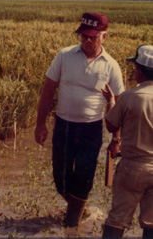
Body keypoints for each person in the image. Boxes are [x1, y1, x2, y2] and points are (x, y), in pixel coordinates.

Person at [34, 12, 125, 228]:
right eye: (83, 36)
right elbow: (47, 92)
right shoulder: (64, 56)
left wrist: (116, 139)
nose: (86, 40)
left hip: (91, 129)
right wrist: (40, 124)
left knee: (84, 177)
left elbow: (120, 105)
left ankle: (71, 224)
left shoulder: (111, 65)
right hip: (64, 126)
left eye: (92, 37)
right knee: (61, 178)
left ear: (104, 36)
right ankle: (80, 210)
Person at [101, 44, 153, 239]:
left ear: (139, 70)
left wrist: (110, 102)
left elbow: (111, 125)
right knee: (151, 223)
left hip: (133, 168)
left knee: (117, 220)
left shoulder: (129, 97)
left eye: (134, 68)